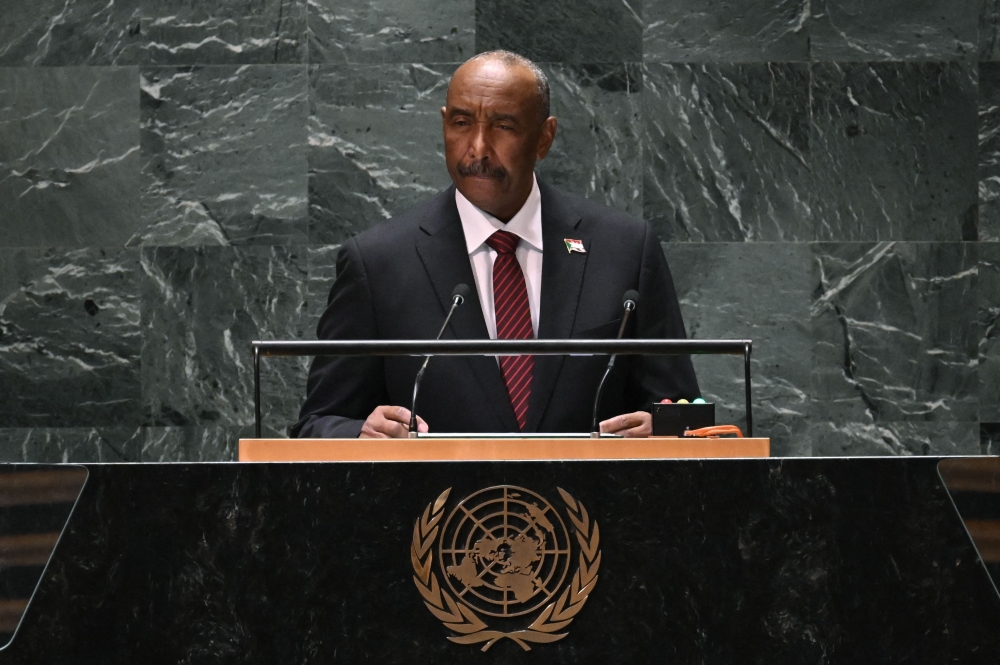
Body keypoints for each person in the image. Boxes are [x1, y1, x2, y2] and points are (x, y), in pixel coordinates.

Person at [292, 50, 698, 439]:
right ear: (444, 124)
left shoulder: (624, 250)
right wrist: (360, 433)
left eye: (503, 126)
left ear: (544, 137)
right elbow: (316, 424)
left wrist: (664, 429)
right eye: (462, 123)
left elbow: (685, 411)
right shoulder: (378, 262)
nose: (478, 149)